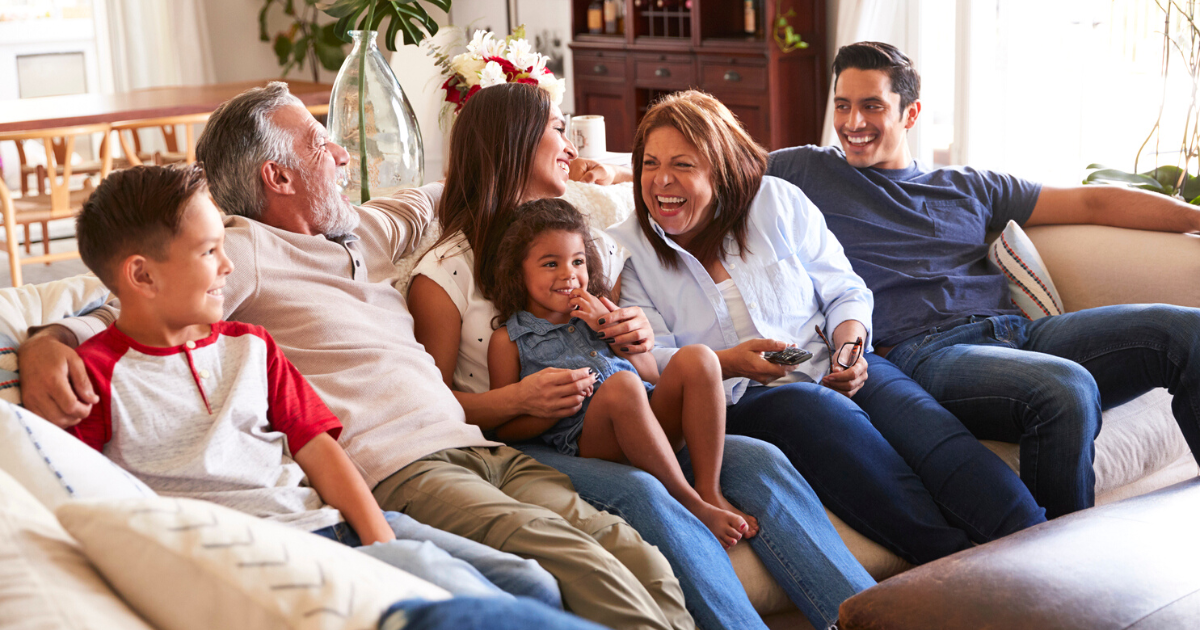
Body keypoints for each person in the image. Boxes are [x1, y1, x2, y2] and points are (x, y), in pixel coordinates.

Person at [19, 82, 692, 630]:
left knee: (640, 555)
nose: (342, 156)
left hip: (476, 446)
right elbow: (139, 299)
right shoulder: (245, 248)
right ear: (276, 176)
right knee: (578, 562)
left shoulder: (357, 233)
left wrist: (562, 168)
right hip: (402, 468)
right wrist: (54, 340)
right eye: (320, 145)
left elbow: (443, 196)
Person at [408, 82, 873, 630]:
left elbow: (641, 371)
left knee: (761, 462)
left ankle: (874, 620)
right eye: (558, 129)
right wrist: (517, 397)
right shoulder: (444, 274)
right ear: (512, 144)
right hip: (536, 440)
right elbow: (431, 409)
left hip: (631, 409)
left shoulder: (587, 246)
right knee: (643, 492)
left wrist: (639, 341)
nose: (571, 147)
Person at [68, 163, 554, 606]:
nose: (228, 265)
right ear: (141, 275)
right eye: (209, 251)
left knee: (533, 582)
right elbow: (81, 499)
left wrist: (379, 539)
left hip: (331, 519)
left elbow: (320, 452)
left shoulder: (251, 346)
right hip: (270, 553)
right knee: (477, 602)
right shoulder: (93, 376)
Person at [608, 90, 1046, 569]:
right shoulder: (628, 253)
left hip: (832, 364)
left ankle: (1041, 553)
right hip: (739, 399)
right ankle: (959, 570)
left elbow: (845, 290)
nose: (661, 180)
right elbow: (655, 365)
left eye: (683, 165)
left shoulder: (775, 202)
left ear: (720, 166)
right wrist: (730, 361)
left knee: (937, 439)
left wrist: (850, 350)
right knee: (817, 413)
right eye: (649, 164)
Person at [766, 41, 1200, 518]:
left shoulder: (970, 185)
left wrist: (1193, 216)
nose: (852, 123)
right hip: (925, 354)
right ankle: (1064, 575)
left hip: (1020, 334)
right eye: (843, 105)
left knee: (1189, 332)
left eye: (872, 106)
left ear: (910, 114)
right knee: (1065, 388)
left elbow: (1091, 203)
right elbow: (716, 169)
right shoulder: (804, 169)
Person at [486, 198, 754, 548]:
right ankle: (690, 504)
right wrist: (550, 411)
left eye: (578, 261)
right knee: (621, 385)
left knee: (700, 358)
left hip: (648, 421)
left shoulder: (603, 311)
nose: (569, 274)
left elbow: (650, 376)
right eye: (551, 264)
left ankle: (708, 489)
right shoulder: (508, 339)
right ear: (517, 272)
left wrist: (609, 328)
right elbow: (505, 429)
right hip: (592, 440)